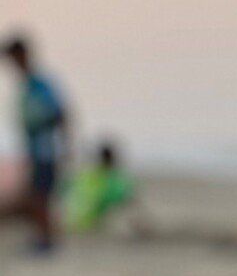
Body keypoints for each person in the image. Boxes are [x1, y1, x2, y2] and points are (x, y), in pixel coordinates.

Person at [4, 32, 69, 254]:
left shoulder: (39, 85)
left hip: (45, 150)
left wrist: (66, 145)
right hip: (35, 151)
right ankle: (43, 238)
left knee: (40, 195)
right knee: (36, 194)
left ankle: (46, 241)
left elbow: (60, 114)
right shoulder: (27, 86)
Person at [67, 135, 138, 234]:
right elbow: (126, 198)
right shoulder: (112, 178)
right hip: (87, 223)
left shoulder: (86, 175)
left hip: (71, 221)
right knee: (128, 199)